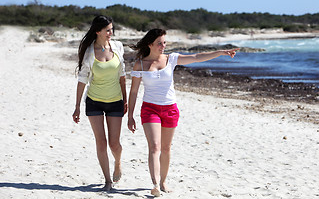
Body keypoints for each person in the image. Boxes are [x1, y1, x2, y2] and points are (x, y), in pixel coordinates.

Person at [127, 29, 238, 197]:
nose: (163, 46)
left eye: (164, 42)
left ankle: (163, 182)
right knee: (154, 146)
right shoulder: (140, 64)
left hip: (170, 109)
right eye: (159, 43)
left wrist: (221, 52)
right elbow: (134, 91)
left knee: (165, 148)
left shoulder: (171, 59)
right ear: (150, 44)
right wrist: (130, 115)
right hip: (150, 109)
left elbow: (196, 57)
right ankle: (155, 183)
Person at [72, 15, 127, 191]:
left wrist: (125, 100)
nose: (111, 33)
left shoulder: (118, 47)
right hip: (94, 101)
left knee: (114, 144)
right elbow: (82, 80)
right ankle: (107, 181)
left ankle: (118, 162)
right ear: (98, 31)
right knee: (101, 142)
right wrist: (77, 106)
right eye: (107, 30)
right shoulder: (89, 52)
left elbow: (122, 76)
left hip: (115, 101)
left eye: (112, 29)